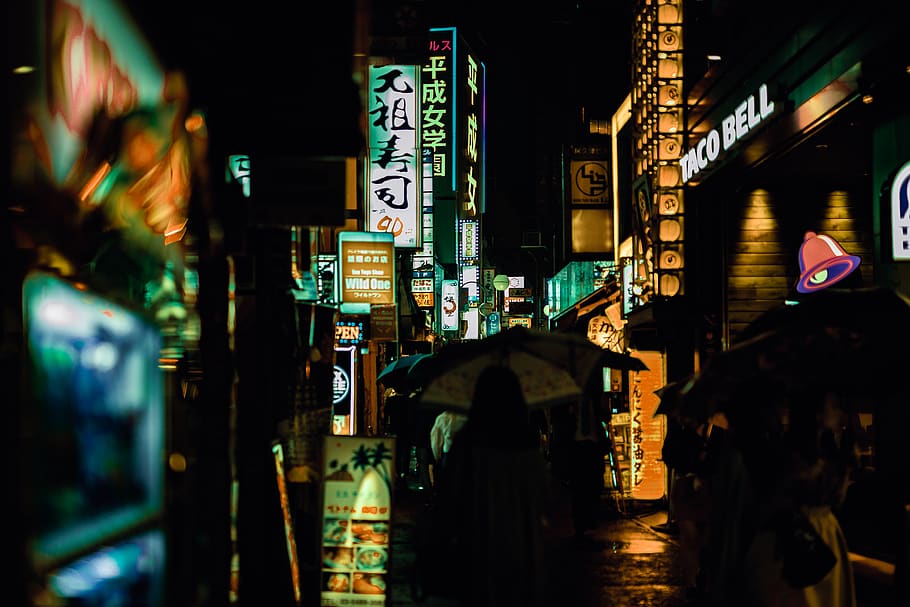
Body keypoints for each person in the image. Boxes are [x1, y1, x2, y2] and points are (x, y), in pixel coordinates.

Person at [416, 365, 550, 607]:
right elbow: (544, 497)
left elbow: (449, 502)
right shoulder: (527, 445)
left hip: (476, 547)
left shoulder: (467, 445)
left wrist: (436, 544)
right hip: (522, 550)